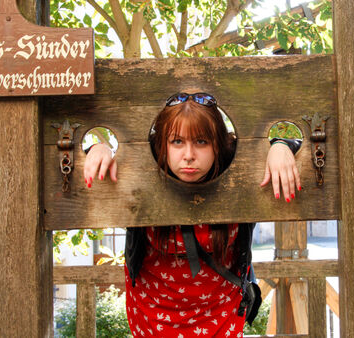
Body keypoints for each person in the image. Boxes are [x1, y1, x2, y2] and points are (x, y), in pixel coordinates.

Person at [83, 92, 301, 337]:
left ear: (219, 144)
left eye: (201, 142)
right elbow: (114, 151)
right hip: (153, 311)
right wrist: (99, 148)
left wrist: (281, 146)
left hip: (221, 310)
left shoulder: (235, 164)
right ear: (161, 145)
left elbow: (288, 144)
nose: (188, 155)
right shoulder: (143, 164)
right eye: (177, 141)